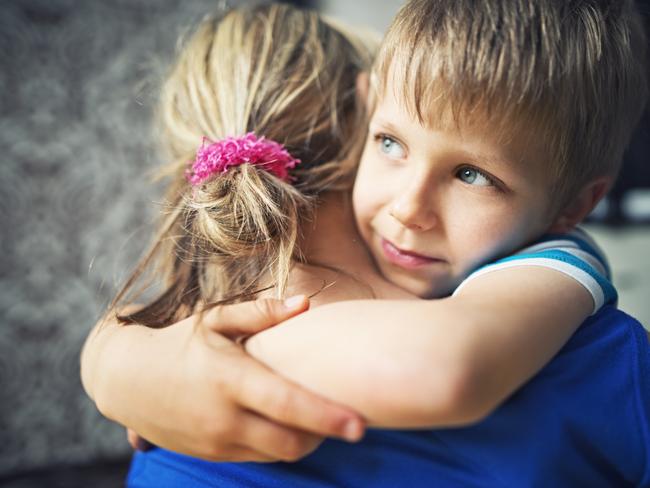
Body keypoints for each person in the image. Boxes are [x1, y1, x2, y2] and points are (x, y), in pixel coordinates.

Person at [81, 0, 650, 486]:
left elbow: (441, 366)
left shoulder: (552, 268)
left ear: (574, 208)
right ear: (366, 110)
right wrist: (120, 358)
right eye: (389, 143)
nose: (408, 209)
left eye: (473, 175)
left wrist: (154, 363)